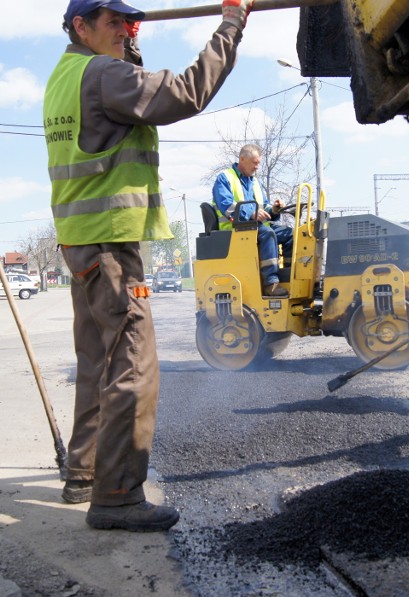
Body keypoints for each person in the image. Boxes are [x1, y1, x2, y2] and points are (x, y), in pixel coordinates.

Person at [43, 0, 254, 532]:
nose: (121, 30)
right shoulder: (102, 75)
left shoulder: (64, 76)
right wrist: (231, 23)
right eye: (112, 22)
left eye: (126, 22)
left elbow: (123, 87)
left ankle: (84, 472)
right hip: (111, 248)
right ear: (80, 26)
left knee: (97, 363)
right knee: (135, 367)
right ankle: (116, 496)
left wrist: (128, 43)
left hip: (80, 245)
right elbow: (184, 93)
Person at [212, 144, 293, 297]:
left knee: (290, 234)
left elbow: (264, 205)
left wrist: (274, 209)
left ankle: (288, 277)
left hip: (255, 226)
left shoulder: (255, 182)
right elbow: (226, 205)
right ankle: (271, 283)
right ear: (242, 159)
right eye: (255, 162)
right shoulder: (225, 178)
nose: (257, 166)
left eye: (259, 163)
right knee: (268, 234)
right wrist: (251, 213)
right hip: (235, 228)